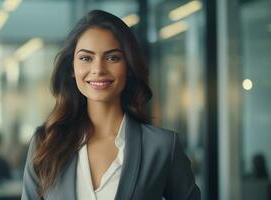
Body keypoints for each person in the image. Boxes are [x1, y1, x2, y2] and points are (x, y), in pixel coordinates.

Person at [21, 10, 200, 200]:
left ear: (128, 67)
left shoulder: (161, 147)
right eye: (86, 58)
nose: (98, 69)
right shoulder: (46, 143)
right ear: (71, 68)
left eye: (112, 57)